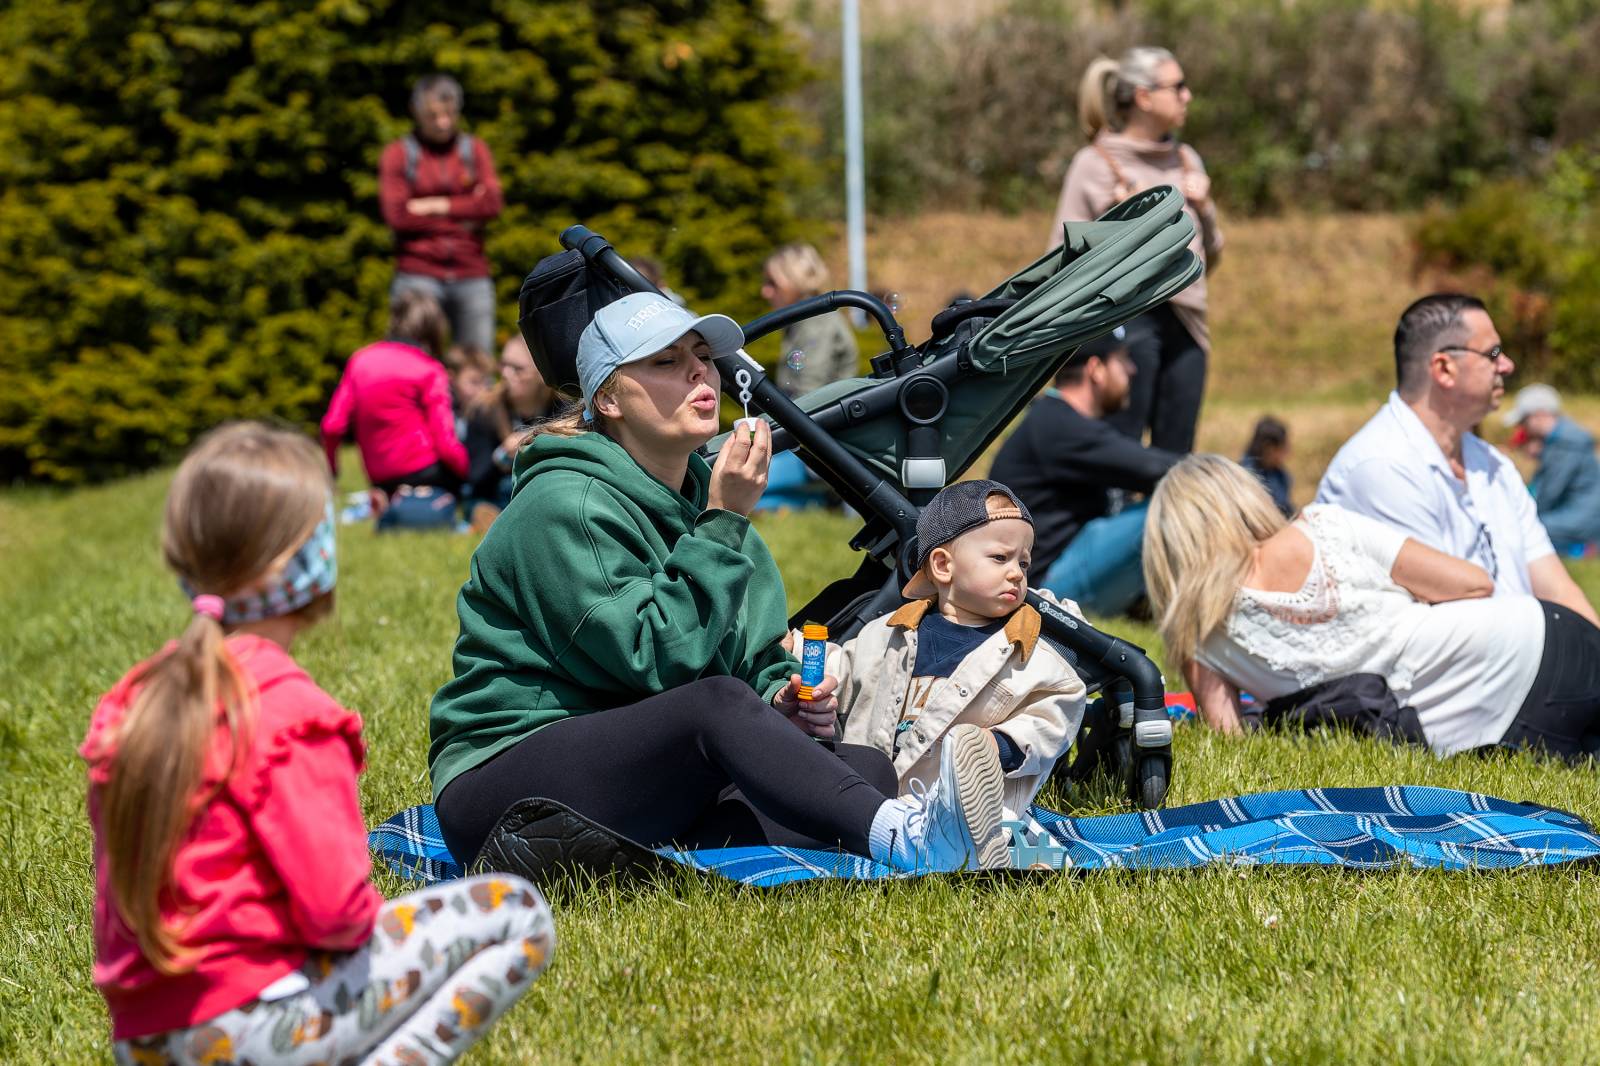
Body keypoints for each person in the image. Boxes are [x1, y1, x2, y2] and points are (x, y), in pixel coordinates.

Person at [429, 292, 1014, 873]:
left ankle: (876, 826)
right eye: (665, 361)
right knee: (719, 707)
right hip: (505, 792)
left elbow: (748, 655)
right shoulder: (565, 504)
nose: (697, 371)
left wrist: (781, 700)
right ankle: (911, 840)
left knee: (864, 770)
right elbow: (658, 661)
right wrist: (726, 520)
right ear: (606, 397)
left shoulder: (706, 502)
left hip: (629, 777)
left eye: (703, 356)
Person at [82, 422, 554, 1064]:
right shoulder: (290, 713)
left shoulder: (133, 699)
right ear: (306, 562)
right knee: (516, 910)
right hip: (254, 1024)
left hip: (144, 1035)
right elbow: (338, 911)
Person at [1145, 454, 1600, 761]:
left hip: (1496, 722)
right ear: (1243, 497)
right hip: (1537, 642)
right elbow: (1473, 583)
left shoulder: (1199, 638)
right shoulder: (1325, 527)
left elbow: (1229, 740)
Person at [1316, 293, 1598, 625]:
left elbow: (1557, 587)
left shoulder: (1493, 465)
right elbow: (1448, 623)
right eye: (1493, 353)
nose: (1507, 365)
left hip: (1516, 661)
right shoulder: (1382, 467)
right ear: (1444, 369)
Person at [831, 480, 1086, 822]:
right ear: (942, 566)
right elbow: (840, 673)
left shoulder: (1031, 657)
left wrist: (999, 746)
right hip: (867, 799)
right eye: (1000, 557)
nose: (1016, 574)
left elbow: (1055, 712)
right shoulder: (886, 635)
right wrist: (802, 656)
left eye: (1023, 563)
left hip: (964, 815)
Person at [1050, 47, 1223, 454]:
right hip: (1125, 320)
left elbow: (1208, 259)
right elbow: (1059, 258)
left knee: (1175, 459)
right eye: (1177, 86)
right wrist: (1120, 219)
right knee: (1118, 448)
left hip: (1188, 326)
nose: (1188, 96)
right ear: (1144, 97)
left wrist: (1207, 210)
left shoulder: (1186, 159)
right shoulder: (1093, 165)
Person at [988, 328, 1180, 616]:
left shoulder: (1054, 418)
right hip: (1046, 586)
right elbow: (1154, 467)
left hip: (1054, 570)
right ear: (1096, 369)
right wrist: (1220, 474)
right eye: (1123, 359)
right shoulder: (1058, 424)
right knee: (1174, 501)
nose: (1133, 369)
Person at [321, 289, 467, 532]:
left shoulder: (360, 360)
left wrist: (332, 470)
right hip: (426, 472)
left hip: (379, 477)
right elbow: (445, 441)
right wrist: (469, 473)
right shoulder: (428, 369)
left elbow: (332, 426)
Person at [378, 73, 503, 353]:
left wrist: (436, 206)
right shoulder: (398, 154)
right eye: (433, 115)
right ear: (416, 113)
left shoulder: (475, 150)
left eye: (448, 114)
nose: (442, 123)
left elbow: (492, 204)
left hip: (471, 272)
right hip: (417, 272)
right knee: (408, 358)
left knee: (477, 366)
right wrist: (465, 213)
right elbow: (397, 216)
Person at [754, 243, 860, 512]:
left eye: (772, 283)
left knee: (738, 484)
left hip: (819, 448)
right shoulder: (808, 321)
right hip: (815, 444)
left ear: (794, 281)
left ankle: (823, 499)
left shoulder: (816, 326)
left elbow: (808, 399)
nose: (764, 291)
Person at [460, 334, 559, 529]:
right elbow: (476, 478)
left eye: (517, 369)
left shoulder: (561, 409)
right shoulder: (484, 410)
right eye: (503, 365)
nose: (506, 373)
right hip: (495, 493)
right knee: (483, 503)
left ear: (541, 374)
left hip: (543, 488)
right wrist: (501, 456)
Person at [1503, 383, 1600, 557]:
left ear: (1539, 415)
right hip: (1581, 515)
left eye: (1524, 421)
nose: (1522, 428)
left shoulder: (1566, 444)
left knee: (1517, 528)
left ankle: (1584, 548)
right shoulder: (1563, 440)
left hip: (1581, 519)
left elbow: (1548, 494)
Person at [1239, 415, 1293, 516]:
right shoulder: (1244, 479)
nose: (1287, 453)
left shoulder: (1279, 475)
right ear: (1268, 447)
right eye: (1282, 449)